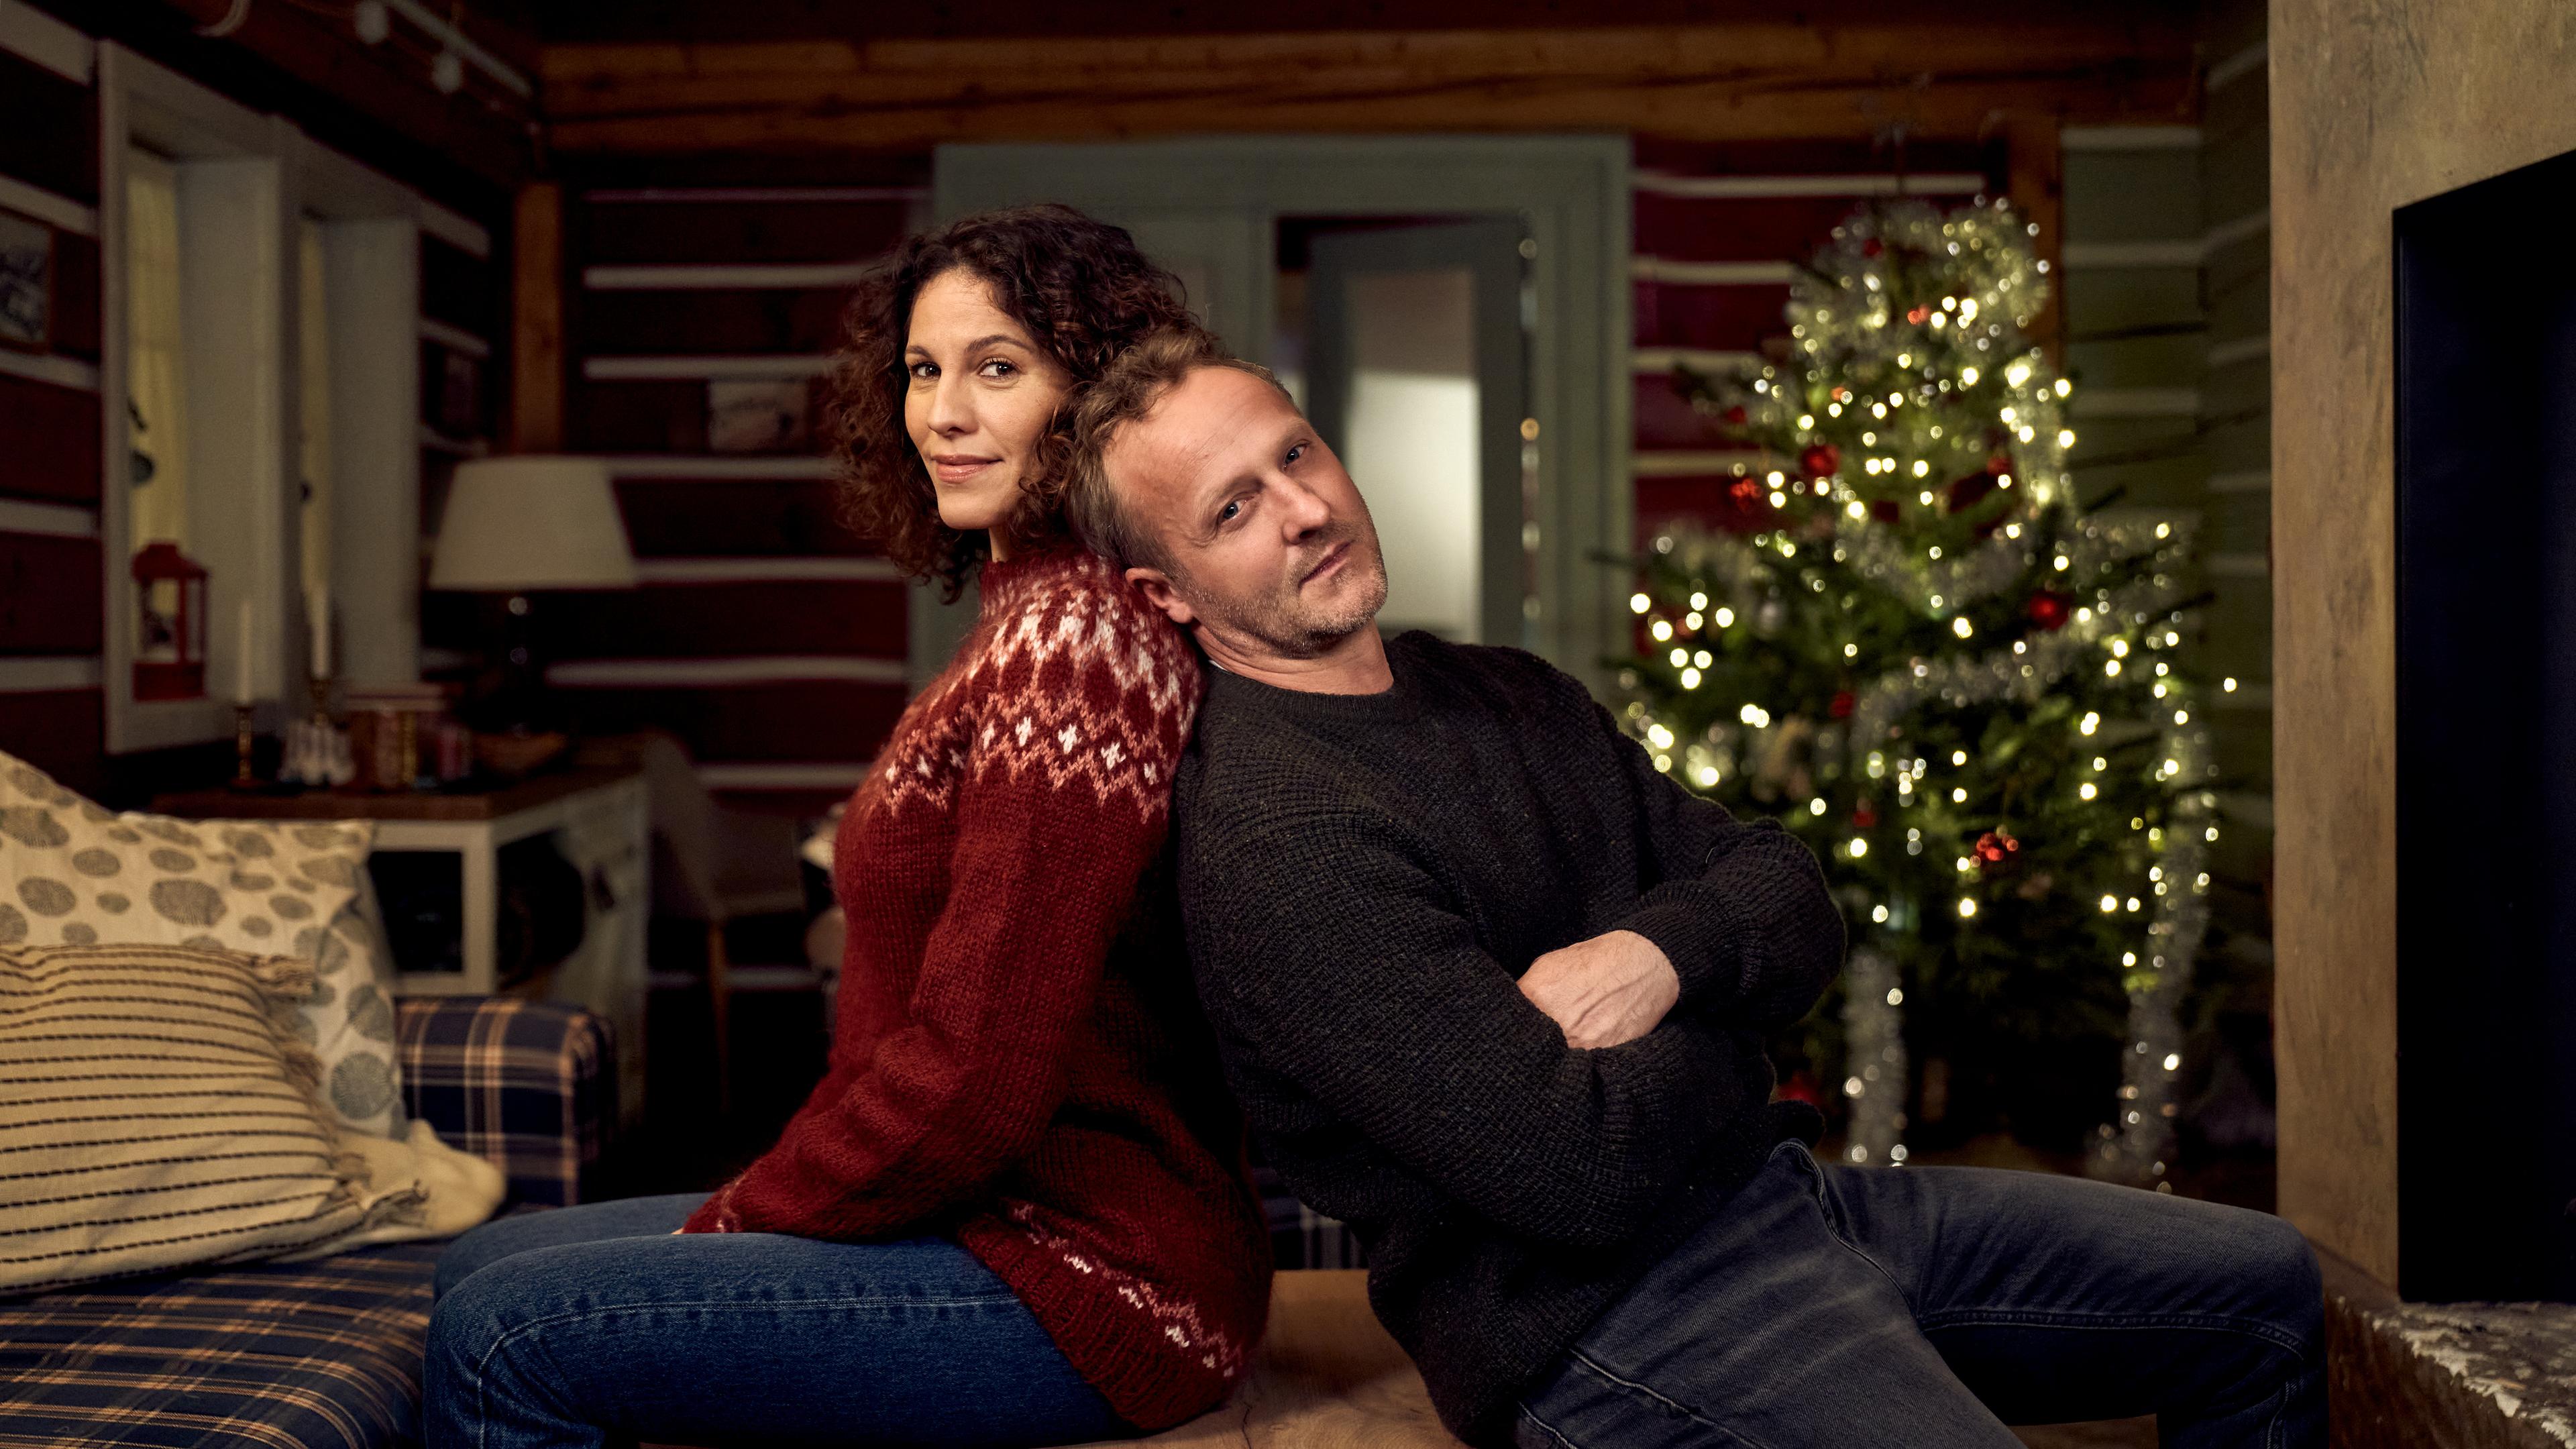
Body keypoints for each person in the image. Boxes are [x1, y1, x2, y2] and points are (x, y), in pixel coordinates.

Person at [1061, 328, 2324, 1449]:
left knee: (2264, 1291)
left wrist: (1657, 961)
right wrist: (1735, 1018)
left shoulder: (1505, 692)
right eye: (1234, 509)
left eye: (1296, 453)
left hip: (1788, 1203)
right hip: (1612, 1326)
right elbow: (1580, 1170)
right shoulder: (1278, 838)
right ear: (1165, 593)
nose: (1303, 509)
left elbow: (1791, 894)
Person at [422, 210, 1273, 1449]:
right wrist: (768, 1202)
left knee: (502, 1334)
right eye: (923, 371)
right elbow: (895, 1029)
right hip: (979, 1221)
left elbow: (977, 1079)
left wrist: (744, 1221)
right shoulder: (1026, 618)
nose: (943, 414)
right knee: (480, 1266)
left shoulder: (1075, 643)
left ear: (1096, 395)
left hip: (1096, 1275)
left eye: (998, 367)